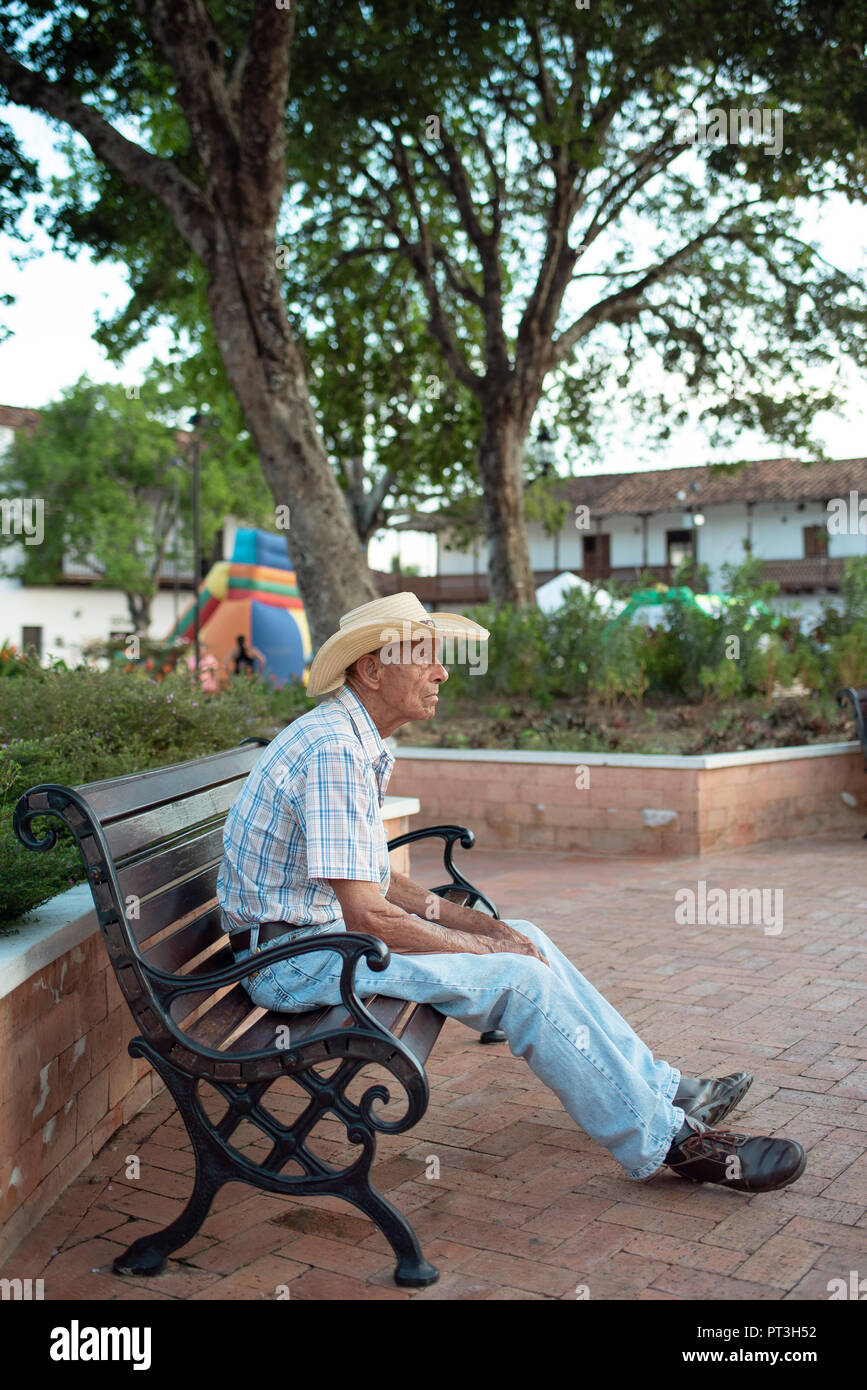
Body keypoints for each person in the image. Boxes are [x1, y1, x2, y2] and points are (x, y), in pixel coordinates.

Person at [216, 593, 806, 1193]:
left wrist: (490, 930)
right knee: (519, 980)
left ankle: (661, 1088)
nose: (442, 672)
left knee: (528, 939)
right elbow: (368, 912)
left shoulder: (351, 738)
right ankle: (670, 1144)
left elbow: (377, 878)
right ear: (372, 669)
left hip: (319, 943)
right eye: (424, 657)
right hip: (295, 963)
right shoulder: (335, 749)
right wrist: (478, 949)